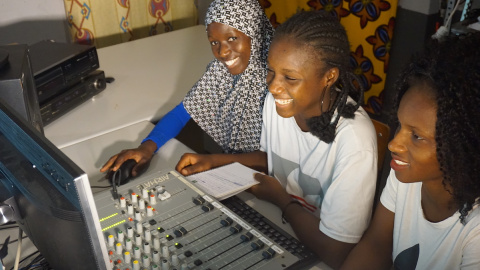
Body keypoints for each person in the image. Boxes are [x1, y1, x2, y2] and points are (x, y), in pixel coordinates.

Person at [175, 10, 377, 269]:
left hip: (319, 252)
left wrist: (281, 199)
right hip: (283, 229)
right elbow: (274, 158)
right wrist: (213, 160)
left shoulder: (354, 140)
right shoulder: (278, 103)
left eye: (290, 78)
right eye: (271, 72)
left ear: (329, 77)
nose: (273, 86)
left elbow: (337, 252)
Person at [340, 32, 480, 269]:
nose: (394, 144)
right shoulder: (406, 177)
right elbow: (376, 245)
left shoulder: (475, 231)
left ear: (463, 146)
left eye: (416, 136)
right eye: (399, 125)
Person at [100, 0, 274, 176]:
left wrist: (213, 161)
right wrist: (147, 147)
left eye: (232, 38)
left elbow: (276, 161)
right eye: (214, 42)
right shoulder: (221, 72)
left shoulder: (277, 84)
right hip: (237, 174)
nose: (222, 52)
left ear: (255, 33)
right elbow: (182, 113)